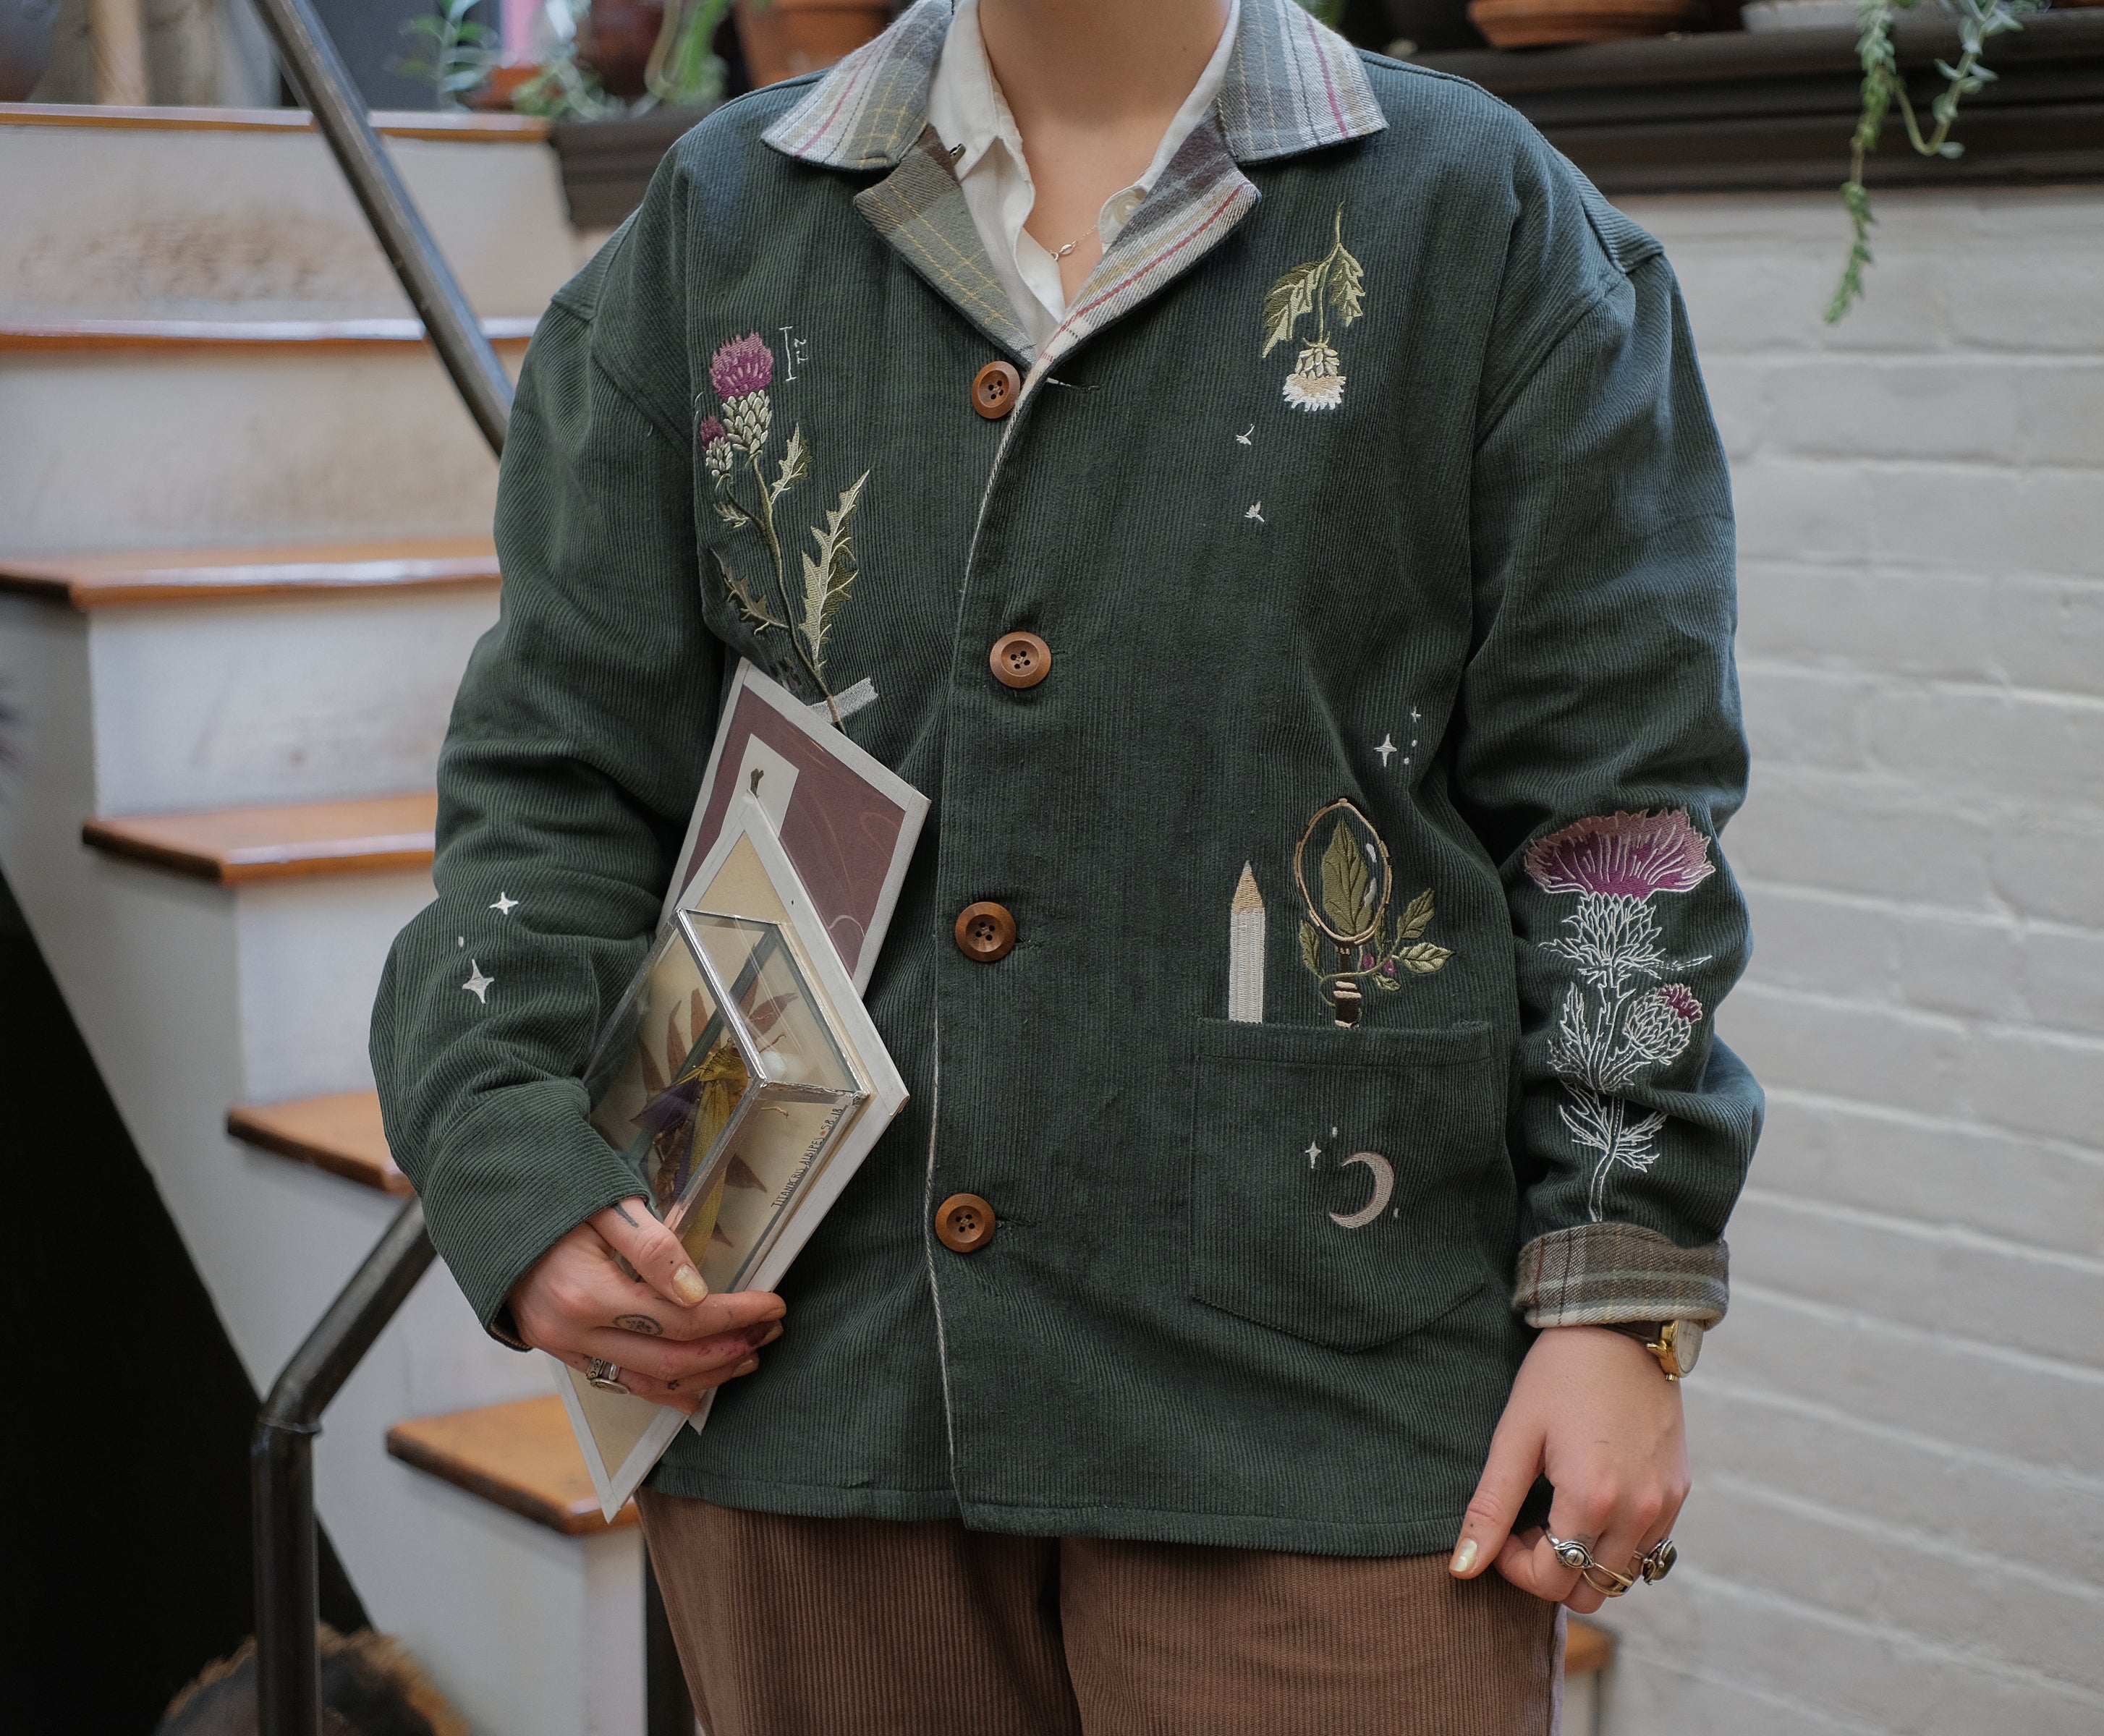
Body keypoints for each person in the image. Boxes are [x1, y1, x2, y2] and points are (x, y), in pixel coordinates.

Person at [370, 0, 1762, 1729]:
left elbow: (1618, 821)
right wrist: (510, 1156)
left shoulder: (1480, 223)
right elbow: (553, 781)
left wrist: (1618, 1294)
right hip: (815, 1396)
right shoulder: (715, 232)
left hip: (1323, 1397)